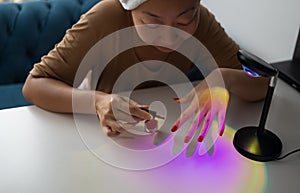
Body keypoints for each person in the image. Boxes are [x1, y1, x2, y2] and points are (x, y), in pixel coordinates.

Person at [23, 0, 269, 142]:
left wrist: (222, 77)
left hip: (169, 138)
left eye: (184, 21)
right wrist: (98, 102)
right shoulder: (105, 17)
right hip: (108, 136)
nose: (170, 35)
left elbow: (261, 85)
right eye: (151, 22)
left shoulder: (202, 21)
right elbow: (35, 84)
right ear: (131, 10)